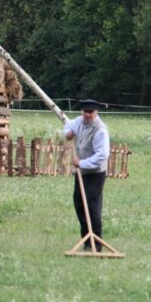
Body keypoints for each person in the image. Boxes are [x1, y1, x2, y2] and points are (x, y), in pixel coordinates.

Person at [61, 98, 111, 249]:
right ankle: (87, 240)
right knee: (79, 204)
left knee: (91, 206)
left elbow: (102, 155)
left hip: (95, 173)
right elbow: (68, 126)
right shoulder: (79, 121)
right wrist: (68, 133)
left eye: (91, 112)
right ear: (81, 111)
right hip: (81, 173)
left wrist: (81, 163)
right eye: (85, 112)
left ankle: (96, 243)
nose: (88, 115)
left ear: (96, 112)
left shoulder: (100, 130)